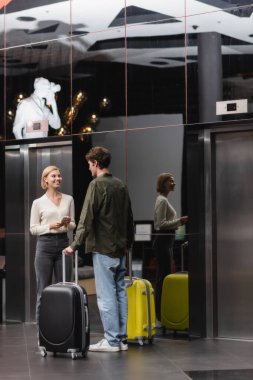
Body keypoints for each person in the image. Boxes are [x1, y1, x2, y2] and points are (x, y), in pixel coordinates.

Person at [64, 146, 134, 353]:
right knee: (120, 292)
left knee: (106, 296)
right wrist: (127, 245)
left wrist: (74, 245)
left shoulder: (96, 185)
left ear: (95, 163)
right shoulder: (120, 185)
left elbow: (86, 220)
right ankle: (121, 339)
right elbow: (130, 218)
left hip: (104, 249)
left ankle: (111, 341)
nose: (88, 168)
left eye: (89, 164)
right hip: (121, 250)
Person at [30, 165, 76, 323]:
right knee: (43, 289)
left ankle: (63, 328)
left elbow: (73, 225)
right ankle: (42, 332)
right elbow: (33, 229)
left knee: (65, 287)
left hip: (64, 243)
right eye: (53, 176)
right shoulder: (38, 203)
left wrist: (66, 224)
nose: (58, 178)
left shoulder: (68, 199)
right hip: (44, 246)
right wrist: (50, 226)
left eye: (59, 175)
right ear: (45, 180)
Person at [153, 172, 188, 326]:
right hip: (162, 242)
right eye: (170, 181)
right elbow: (159, 225)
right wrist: (178, 222)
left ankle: (161, 315)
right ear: (164, 183)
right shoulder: (162, 201)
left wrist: (176, 222)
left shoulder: (164, 200)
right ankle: (159, 316)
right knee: (162, 279)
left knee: (164, 278)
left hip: (166, 242)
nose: (173, 183)